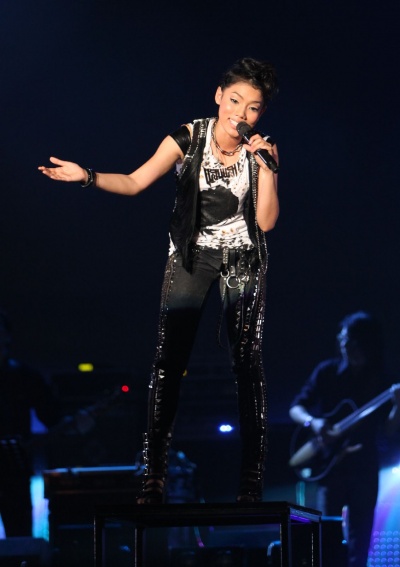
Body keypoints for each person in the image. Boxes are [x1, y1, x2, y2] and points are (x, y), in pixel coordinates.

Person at [39, 57, 280, 504]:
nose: (240, 113)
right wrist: (87, 176)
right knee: (169, 362)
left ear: (261, 113)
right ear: (219, 96)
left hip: (244, 257)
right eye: (234, 101)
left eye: (252, 107)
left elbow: (265, 223)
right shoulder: (189, 137)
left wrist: (267, 170)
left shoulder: (262, 152)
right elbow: (135, 181)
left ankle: (251, 479)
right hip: (191, 254)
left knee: (247, 364)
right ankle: (154, 474)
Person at [289, 311, 400, 567]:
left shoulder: (382, 379)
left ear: (365, 343)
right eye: (342, 338)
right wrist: (314, 422)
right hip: (331, 468)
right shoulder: (327, 372)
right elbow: (296, 407)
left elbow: (389, 430)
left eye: (350, 340)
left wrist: (398, 407)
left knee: (361, 538)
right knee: (326, 534)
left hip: (364, 467)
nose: (344, 345)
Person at [0, 309, 95, 536]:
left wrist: (74, 424)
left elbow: (52, 418)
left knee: (19, 535)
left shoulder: (24, 377)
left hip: (14, 470)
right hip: (15, 467)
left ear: (6, 336)